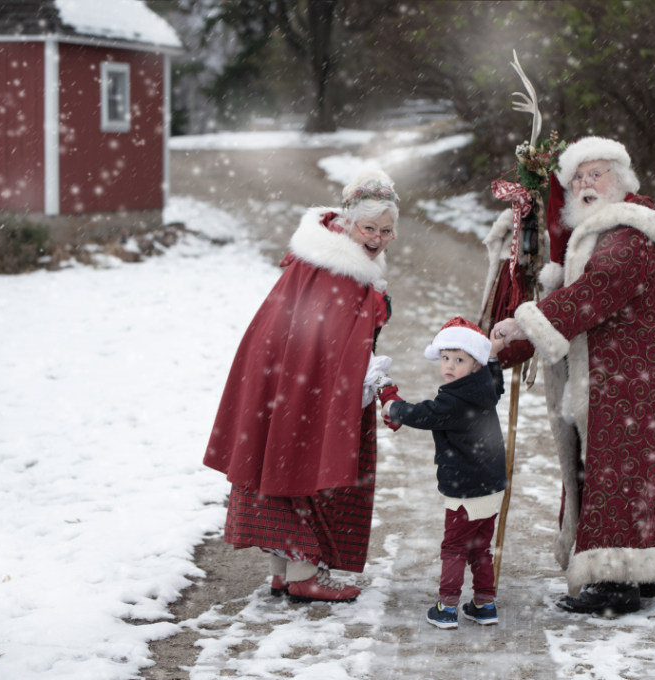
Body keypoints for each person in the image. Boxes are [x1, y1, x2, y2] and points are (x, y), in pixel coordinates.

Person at [493, 136, 655, 615]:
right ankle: (641, 572)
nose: (585, 184)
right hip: (636, 375)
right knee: (640, 474)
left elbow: (596, 290)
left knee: (621, 473)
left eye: (596, 173)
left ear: (622, 179)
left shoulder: (630, 233)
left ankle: (616, 583)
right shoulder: (606, 229)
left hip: (637, 379)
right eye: (577, 178)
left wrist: (523, 323)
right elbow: (580, 296)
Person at [203, 168, 404, 603]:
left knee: (283, 456)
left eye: (386, 230)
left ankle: (283, 572)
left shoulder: (331, 258)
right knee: (302, 462)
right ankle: (303, 575)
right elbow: (327, 341)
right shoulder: (337, 269)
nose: (378, 237)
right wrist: (367, 380)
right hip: (303, 380)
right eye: (369, 228)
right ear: (349, 222)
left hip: (288, 376)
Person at [381, 317, 507, 629]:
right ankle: (484, 605)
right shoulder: (484, 387)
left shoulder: (456, 399)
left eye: (460, 360)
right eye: (446, 357)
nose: (449, 366)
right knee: (480, 549)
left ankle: (447, 608)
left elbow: (425, 415)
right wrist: (493, 356)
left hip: (465, 487)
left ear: (475, 364)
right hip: (492, 485)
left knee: (454, 548)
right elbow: (497, 383)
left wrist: (393, 406)